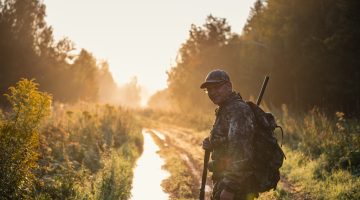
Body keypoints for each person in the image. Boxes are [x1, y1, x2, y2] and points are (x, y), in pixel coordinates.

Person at [201, 69, 259, 200]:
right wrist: (212, 143)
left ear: (229, 86)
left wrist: (230, 189)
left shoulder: (238, 110)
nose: (212, 93)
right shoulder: (225, 108)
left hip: (235, 187)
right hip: (224, 180)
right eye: (209, 89)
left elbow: (241, 154)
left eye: (216, 87)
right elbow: (228, 140)